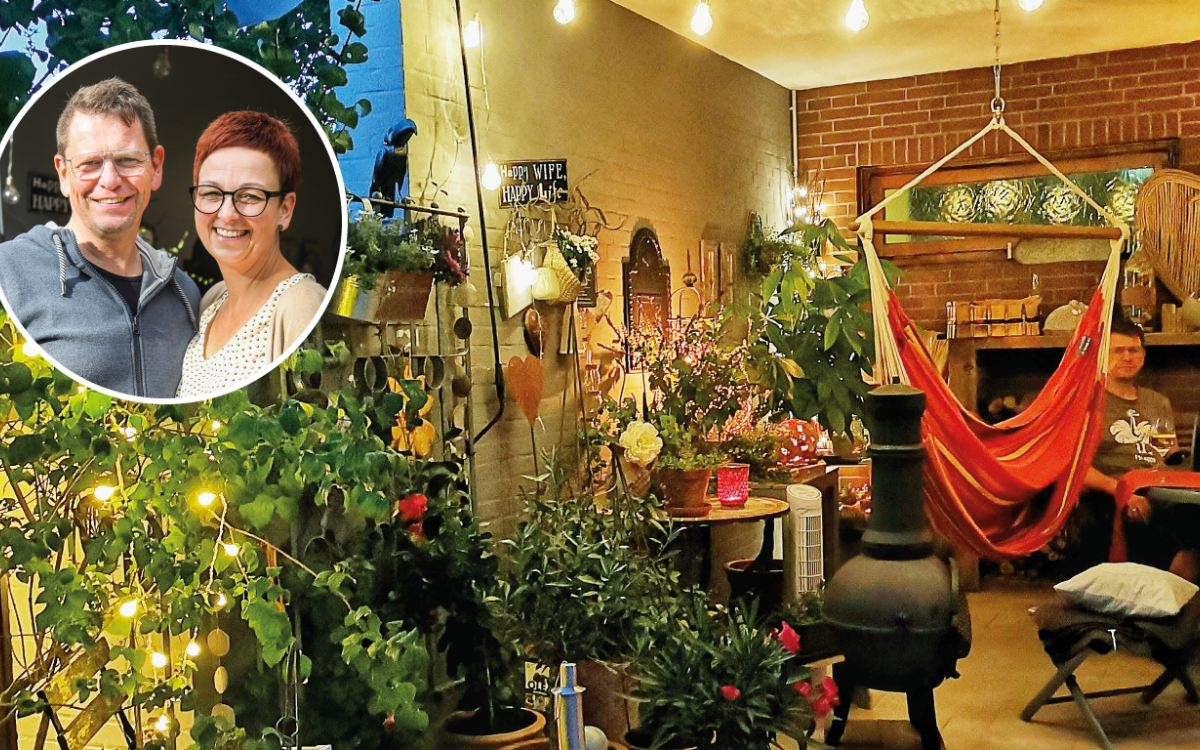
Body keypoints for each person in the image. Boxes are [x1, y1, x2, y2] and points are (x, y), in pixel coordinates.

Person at [0, 78, 200, 398]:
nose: (109, 180)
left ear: (156, 166)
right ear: (64, 174)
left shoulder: (184, 293)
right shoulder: (9, 272)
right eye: (89, 163)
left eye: (128, 160)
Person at [175, 111, 325, 398]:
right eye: (211, 194)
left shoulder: (301, 306)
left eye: (251, 196)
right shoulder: (212, 301)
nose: (227, 214)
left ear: (285, 209)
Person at [1080, 315, 1198, 581]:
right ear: (1102, 357)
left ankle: (1184, 580)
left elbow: (1170, 455)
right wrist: (1122, 492)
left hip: (1159, 488)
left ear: (1143, 356)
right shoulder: (1088, 402)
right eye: (1118, 351)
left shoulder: (1158, 402)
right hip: (1111, 491)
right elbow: (1076, 468)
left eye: (1133, 350)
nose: (1127, 357)